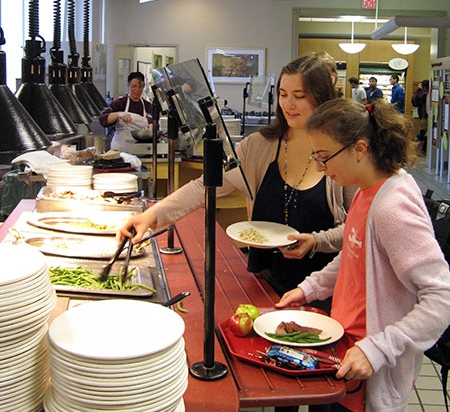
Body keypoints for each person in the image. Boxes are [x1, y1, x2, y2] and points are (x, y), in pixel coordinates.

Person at [118, 52, 356, 309]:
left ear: (321, 98)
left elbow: (356, 229)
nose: (288, 104)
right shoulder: (259, 146)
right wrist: (152, 216)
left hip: (322, 292)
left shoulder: (342, 151)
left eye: (299, 96)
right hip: (264, 282)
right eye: (283, 94)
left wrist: (316, 242)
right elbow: (204, 186)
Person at [275, 98, 450, 412]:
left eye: (325, 157)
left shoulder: (392, 207)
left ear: (359, 148)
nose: (319, 167)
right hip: (342, 349)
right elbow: (353, 254)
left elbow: (442, 298)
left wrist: (378, 350)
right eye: (315, 156)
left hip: (367, 369)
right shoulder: (365, 189)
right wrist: (310, 289)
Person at [99, 71, 157, 152]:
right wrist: (119, 114)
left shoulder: (148, 106)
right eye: (134, 86)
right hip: (120, 149)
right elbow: (103, 120)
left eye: (140, 87)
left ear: (143, 87)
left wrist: (152, 127)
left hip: (140, 150)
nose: (137, 90)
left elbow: (155, 123)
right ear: (128, 86)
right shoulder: (119, 103)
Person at [412, 79, 429, 154]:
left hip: (424, 115)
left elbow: (416, 99)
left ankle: (419, 150)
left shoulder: (425, 94)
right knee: (423, 132)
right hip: (424, 114)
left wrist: (418, 89)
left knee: (422, 132)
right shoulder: (427, 93)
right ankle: (421, 150)